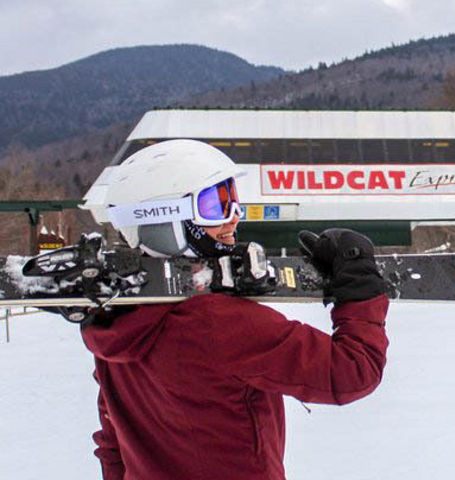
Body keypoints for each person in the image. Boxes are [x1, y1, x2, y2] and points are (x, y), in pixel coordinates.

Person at [77, 139, 389, 480]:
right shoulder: (220, 322)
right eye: (215, 206)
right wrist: (361, 293)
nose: (234, 218)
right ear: (164, 221)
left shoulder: (115, 319)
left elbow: (113, 436)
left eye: (232, 200)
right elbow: (352, 372)